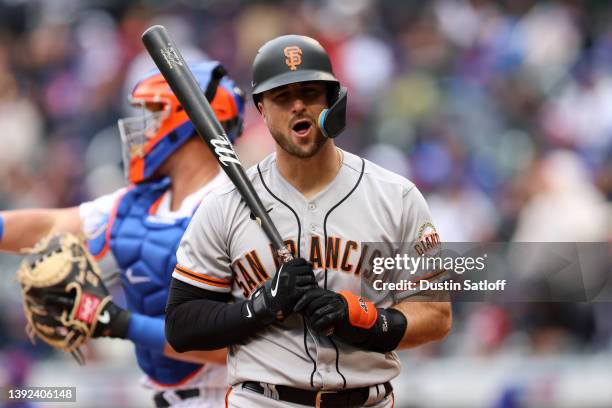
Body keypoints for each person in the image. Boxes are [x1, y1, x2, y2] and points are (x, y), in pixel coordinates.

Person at [165, 35, 452, 408]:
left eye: (310, 92)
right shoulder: (224, 205)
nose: (298, 105)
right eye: (282, 96)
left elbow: (436, 315)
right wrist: (264, 305)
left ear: (333, 100)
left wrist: (364, 319)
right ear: (262, 109)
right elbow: (182, 325)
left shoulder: (395, 196)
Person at [0, 60, 245, 408]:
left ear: (189, 119)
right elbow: (48, 227)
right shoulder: (141, 201)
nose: (145, 131)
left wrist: (116, 323)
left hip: (229, 398)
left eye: (156, 115)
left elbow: (233, 348)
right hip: (163, 397)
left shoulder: (236, 208)